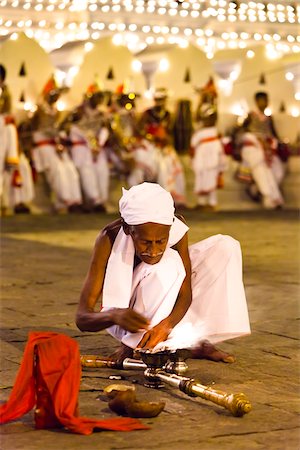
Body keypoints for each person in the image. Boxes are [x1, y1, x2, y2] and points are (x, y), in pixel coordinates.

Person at [76, 182, 250, 363]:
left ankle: (194, 341)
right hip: (126, 320)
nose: (153, 250)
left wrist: (167, 326)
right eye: (145, 242)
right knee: (166, 263)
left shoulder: (177, 228)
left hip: (165, 309)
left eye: (161, 241)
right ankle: (141, 346)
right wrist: (114, 316)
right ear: (128, 229)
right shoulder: (108, 238)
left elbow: (185, 292)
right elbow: (82, 318)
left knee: (224, 247)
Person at [238, 91, 285, 209]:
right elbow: (241, 131)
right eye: (261, 100)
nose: (264, 103)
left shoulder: (269, 118)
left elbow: (274, 134)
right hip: (254, 148)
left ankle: (257, 190)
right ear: (256, 101)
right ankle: (270, 198)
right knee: (263, 171)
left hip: (268, 150)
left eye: (266, 100)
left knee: (277, 172)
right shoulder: (251, 115)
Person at [190, 78, 227, 211]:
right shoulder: (199, 126)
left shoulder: (214, 119)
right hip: (201, 154)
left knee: (211, 175)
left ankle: (212, 203)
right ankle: (201, 202)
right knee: (201, 176)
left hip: (212, 154)